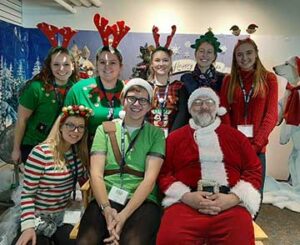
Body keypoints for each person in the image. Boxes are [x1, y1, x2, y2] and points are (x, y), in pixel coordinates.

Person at [157, 87, 262, 245]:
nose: (204, 106)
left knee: (240, 240)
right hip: (186, 204)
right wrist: (185, 196)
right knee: (170, 239)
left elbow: (253, 170)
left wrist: (233, 198)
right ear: (190, 109)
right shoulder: (174, 139)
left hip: (229, 205)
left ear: (217, 108)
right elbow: (164, 173)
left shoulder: (236, 137)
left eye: (209, 102)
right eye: (198, 103)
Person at [77, 78, 165, 245]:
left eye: (143, 100)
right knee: (86, 241)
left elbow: (149, 179)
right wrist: (106, 209)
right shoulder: (104, 129)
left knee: (133, 242)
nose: (136, 104)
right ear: (123, 100)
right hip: (106, 196)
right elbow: (96, 174)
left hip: (142, 201)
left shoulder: (156, 134)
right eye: (131, 98)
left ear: (149, 105)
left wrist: (123, 216)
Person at [15, 105, 92, 245]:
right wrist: (28, 227)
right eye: (70, 125)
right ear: (60, 127)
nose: (76, 131)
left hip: (63, 216)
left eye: (81, 127)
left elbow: (86, 180)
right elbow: (27, 194)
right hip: (37, 217)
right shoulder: (41, 153)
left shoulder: (77, 155)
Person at [220, 38, 278, 189]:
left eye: (248, 53)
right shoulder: (229, 80)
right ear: (235, 58)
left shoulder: (269, 79)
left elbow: (271, 115)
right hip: (234, 148)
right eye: (239, 54)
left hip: (257, 149)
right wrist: (234, 143)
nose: (244, 58)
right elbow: (224, 112)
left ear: (256, 54)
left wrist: (256, 145)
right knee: (233, 191)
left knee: (254, 194)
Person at [64, 14, 130, 141]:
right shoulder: (79, 90)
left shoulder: (128, 91)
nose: (107, 67)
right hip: (85, 150)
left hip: (119, 151)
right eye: (102, 62)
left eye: (113, 62)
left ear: (120, 66)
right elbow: (63, 123)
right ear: (96, 64)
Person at [11, 46, 79, 164]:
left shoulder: (76, 89)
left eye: (66, 64)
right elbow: (22, 119)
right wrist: (16, 149)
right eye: (56, 64)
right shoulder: (36, 88)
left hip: (63, 147)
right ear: (50, 66)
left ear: (73, 66)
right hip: (34, 146)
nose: (61, 69)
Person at [172, 29, 225, 130]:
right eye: (201, 51)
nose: (205, 55)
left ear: (214, 56)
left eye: (209, 52)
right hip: (191, 129)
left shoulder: (222, 80)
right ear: (195, 54)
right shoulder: (186, 79)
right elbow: (183, 111)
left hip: (216, 129)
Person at [147, 25, 184, 136]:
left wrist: (172, 136)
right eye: (157, 60)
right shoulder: (145, 87)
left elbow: (183, 114)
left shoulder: (179, 87)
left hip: (173, 139)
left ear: (170, 63)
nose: (161, 64)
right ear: (152, 64)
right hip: (148, 138)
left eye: (165, 60)